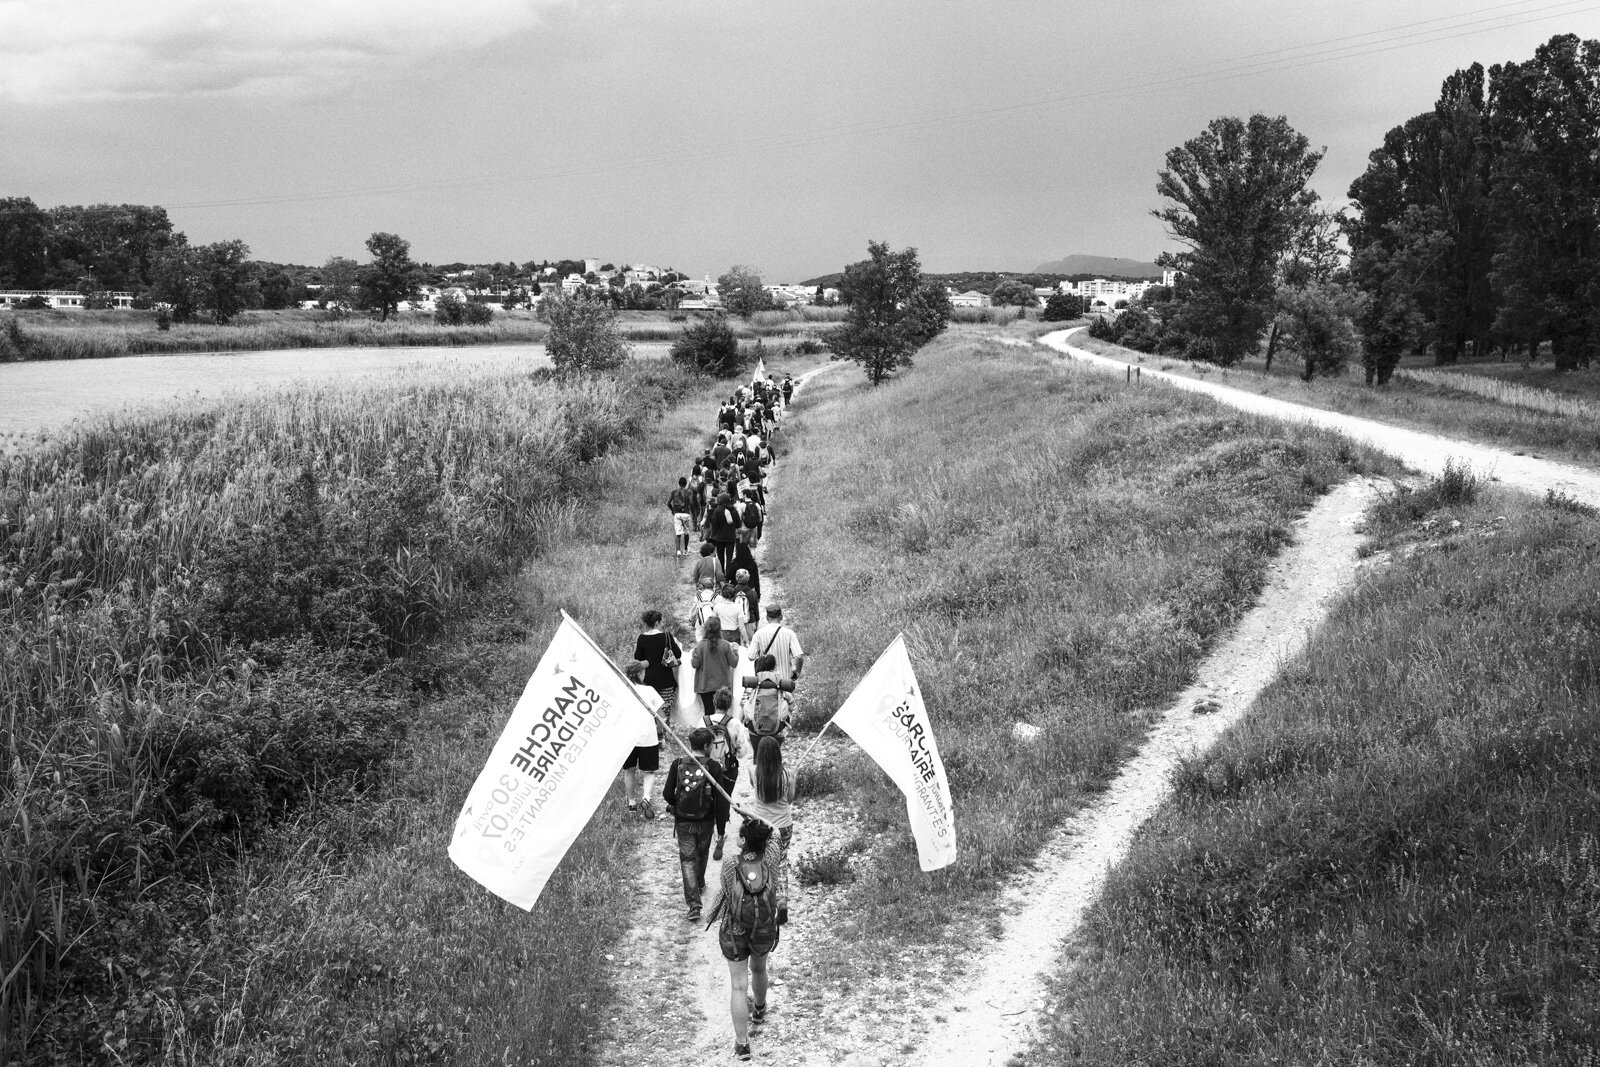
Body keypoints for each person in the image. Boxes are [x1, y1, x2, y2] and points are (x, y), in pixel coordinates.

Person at [706, 817, 787, 1061]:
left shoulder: (732, 863)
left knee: (738, 985)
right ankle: (760, 1010)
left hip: (736, 930)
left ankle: (742, 1045)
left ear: (742, 840)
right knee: (760, 969)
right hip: (763, 928)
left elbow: (727, 892)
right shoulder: (771, 857)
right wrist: (753, 815)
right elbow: (775, 832)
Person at [663, 727, 734, 920]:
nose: (712, 747)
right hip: (705, 820)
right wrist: (721, 829)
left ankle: (694, 905)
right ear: (705, 746)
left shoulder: (677, 763)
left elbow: (667, 794)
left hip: (683, 820)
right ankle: (700, 883)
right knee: (702, 854)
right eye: (711, 744)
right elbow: (721, 801)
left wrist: (676, 805)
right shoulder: (713, 767)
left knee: (687, 860)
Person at [691, 619, 741, 719]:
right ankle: (722, 731)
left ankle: (709, 733)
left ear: (705, 629)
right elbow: (734, 663)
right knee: (723, 714)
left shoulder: (700, 645)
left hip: (705, 685)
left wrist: (694, 654)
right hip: (722, 686)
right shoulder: (725, 645)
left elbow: (694, 664)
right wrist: (735, 651)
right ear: (719, 629)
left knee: (708, 713)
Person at [740, 653, 795, 739]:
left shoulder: (752, 683)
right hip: (777, 727)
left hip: (754, 728)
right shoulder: (780, 684)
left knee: (756, 751)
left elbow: (743, 707)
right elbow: (791, 708)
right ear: (774, 667)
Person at [749, 605, 804, 685]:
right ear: (781, 617)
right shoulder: (790, 634)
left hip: (765, 680)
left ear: (767, 618)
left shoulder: (758, 634)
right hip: (785, 680)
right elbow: (799, 657)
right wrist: (797, 672)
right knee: (787, 697)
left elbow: (751, 657)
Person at [706, 493, 740, 573]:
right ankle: (728, 576)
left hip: (720, 537)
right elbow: (738, 524)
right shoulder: (734, 510)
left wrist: (716, 533)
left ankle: (721, 574)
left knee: (720, 558)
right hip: (731, 538)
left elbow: (714, 525)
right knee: (729, 558)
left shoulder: (717, 510)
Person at [713, 581, 750, 646]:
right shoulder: (738, 608)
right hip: (734, 634)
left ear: (722, 594)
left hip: (721, 633)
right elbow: (742, 627)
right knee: (735, 653)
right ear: (734, 596)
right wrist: (747, 641)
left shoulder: (717, 607)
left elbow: (714, 623)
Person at [668, 477, 696, 560]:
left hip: (677, 514)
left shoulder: (674, 492)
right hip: (686, 514)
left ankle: (678, 551)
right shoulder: (688, 492)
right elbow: (691, 503)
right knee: (686, 532)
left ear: (678, 483)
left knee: (678, 533)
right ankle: (686, 549)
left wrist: (673, 510)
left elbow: (668, 503)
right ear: (686, 483)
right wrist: (693, 513)